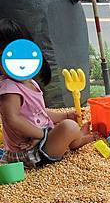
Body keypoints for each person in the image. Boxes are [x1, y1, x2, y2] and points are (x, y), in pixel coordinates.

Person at [0, 19, 96, 169]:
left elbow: (39, 113)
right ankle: (76, 140)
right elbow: (12, 119)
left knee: (67, 124)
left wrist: (64, 115)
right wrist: (40, 134)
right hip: (27, 152)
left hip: (41, 141)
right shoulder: (9, 88)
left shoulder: (30, 82)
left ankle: (75, 140)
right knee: (69, 127)